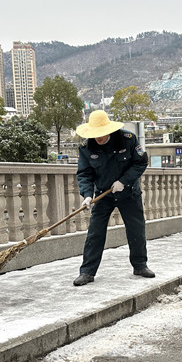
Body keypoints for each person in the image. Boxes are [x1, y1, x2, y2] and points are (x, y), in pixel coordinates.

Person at [73, 110, 153, 286]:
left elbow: (140, 162)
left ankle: (140, 265)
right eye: (95, 134)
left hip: (128, 192)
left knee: (136, 230)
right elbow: (85, 174)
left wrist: (123, 181)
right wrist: (87, 195)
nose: (98, 138)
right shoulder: (87, 148)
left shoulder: (128, 139)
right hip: (103, 194)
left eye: (101, 134)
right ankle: (87, 271)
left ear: (108, 130)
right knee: (95, 232)